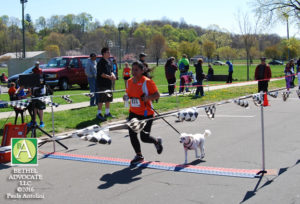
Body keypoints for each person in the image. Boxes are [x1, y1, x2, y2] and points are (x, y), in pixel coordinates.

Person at [124, 61, 162, 165]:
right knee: (132, 134)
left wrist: (148, 97)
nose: (134, 72)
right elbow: (127, 93)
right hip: (133, 112)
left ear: (142, 71)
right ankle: (139, 155)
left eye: (136, 70)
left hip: (146, 113)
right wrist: (125, 97)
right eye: (133, 69)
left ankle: (156, 142)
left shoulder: (147, 82)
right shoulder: (129, 82)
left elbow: (157, 95)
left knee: (144, 137)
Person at [96, 47, 116, 122]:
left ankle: (107, 113)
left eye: (109, 52)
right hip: (102, 84)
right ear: (103, 53)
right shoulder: (100, 62)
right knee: (101, 99)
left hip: (108, 84)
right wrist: (109, 77)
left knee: (108, 98)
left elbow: (111, 71)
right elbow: (101, 74)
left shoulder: (109, 61)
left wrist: (113, 75)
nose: (109, 53)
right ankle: (99, 114)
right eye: (108, 52)